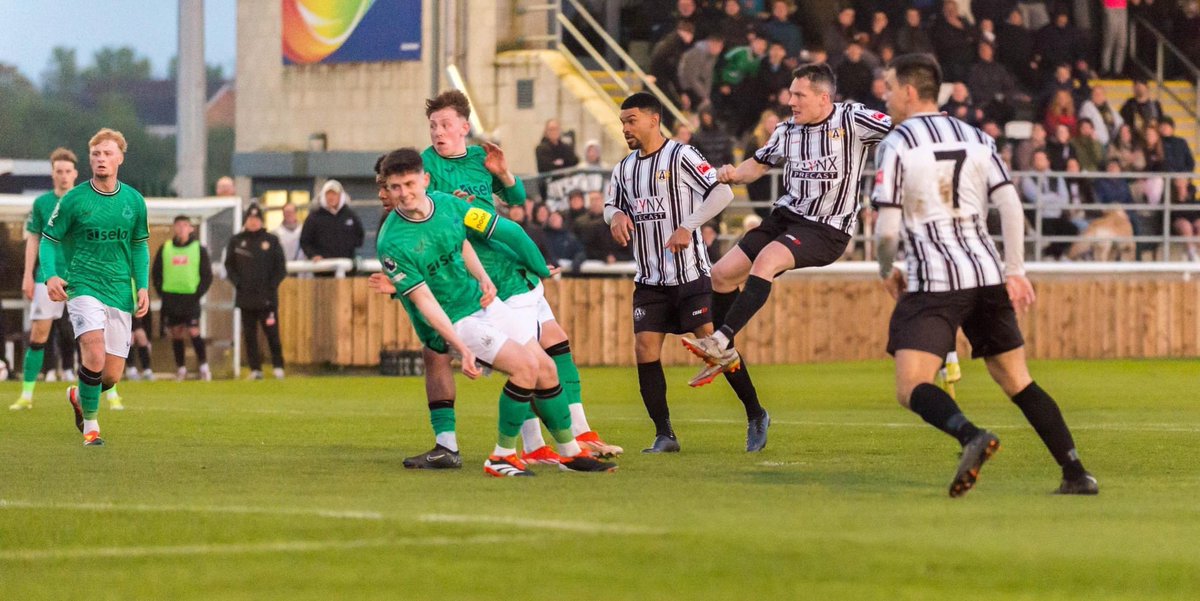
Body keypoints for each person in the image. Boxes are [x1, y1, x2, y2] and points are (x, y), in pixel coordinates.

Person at [873, 53, 1098, 497]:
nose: (885, 96)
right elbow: (1010, 205)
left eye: (888, 87)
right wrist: (1015, 270)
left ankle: (970, 435)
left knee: (911, 384)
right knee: (1018, 379)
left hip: (934, 279)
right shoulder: (977, 136)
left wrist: (886, 269)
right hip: (986, 272)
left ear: (909, 92)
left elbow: (886, 227)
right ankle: (1076, 472)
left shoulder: (897, 143)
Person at [369, 148, 616, 477]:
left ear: (425, 180)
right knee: (525, 368)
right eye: (395, 187)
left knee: (546, 368)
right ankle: (501, 455)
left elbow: (462, 243)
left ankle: (570, 452)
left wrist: (485, 280)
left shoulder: (448, 204)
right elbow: (425, 301)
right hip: (458, 320)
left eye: (409, 184)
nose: (403, 194)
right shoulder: (392, 241)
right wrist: (459, 345)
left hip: (483, 303)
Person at [412, 90, 620, 467]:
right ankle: (537, 444)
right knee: (528, 358)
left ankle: (574, 433)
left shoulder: (479, 158)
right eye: (432, 126)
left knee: (555, 342)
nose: (438, 132)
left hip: (511, 264)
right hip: (484, 276)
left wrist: (505, 173)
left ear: (464, 127)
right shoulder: (426, 166)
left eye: (445, 125)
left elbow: (517, 199)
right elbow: (451, 220)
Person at [680, 64, 891, 386]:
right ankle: (722, 354)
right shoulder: (786, 130)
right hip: (786, 217)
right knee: (721, 275)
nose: (790, 100)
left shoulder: (852, 119)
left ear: (823, 98)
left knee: (767, 260)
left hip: (827, 228)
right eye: (790, 93)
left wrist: (933, 123)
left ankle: (720, 340)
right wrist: (734, 173)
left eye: (798, 94)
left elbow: (899, 124)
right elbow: (758, 165)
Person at [606, 92, 768, 453]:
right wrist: (615, 216)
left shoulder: (682, 155)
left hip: (691, 276)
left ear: (653, 119)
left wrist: (688, 226)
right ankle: (665, 434)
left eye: (631, 120)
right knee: (644, 347)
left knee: (713, 346)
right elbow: (610, 204)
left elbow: (722, 194)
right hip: (649, 280)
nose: (625, 129)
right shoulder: (625, 168)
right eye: (622, 123)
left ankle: (756, 413)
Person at [39, 128, 150, 446]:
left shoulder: (133, 200)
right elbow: (49, 241)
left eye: (107, 153)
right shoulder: (74, 199)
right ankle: (91, 427)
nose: (101, 159)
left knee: (111, 375)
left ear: (120, 158)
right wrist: (50, 275)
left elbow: (140, 246)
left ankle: (78, 394)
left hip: (119, 290)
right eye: (95, 154)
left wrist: (141, 287)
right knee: (94, 351)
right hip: (83, 285)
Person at [12, 148, 80, 411]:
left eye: (67, 171)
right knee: (39, 335)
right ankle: (27, 395)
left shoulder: (84, 200)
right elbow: (33, 239)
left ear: (75, 174)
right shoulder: (41, 204)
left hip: (79, 275)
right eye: (59, 171)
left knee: (92, 335)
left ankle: (109, 395)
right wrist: (28, 275)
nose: (63, 176)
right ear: (53, 173)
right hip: (46, 277)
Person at [225, 204, 287, 380]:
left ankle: (278, 366)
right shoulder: (236, 241)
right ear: (245, 221)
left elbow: (281, 268)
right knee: (250, 335)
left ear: (261, 221)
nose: (253, 222)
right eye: (250, 219)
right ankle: (255, 369)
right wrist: (238, 284)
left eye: (256, 219)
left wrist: (271, 287)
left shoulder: (271, 240)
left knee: (272, 334)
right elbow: (229, 266)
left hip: (267, 298)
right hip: (246, 297)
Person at [152, 215, 214, 381]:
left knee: (194, 331)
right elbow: (156, 272)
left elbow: (207, 275)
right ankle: (181, 368)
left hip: (191, 298)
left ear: (190, 228)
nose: (181, 228)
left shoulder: (198, 249)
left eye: (184, 225)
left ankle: (203, 366)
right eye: (178, 225)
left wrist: (198, 293)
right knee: (176, 333)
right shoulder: (165, 248)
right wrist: (162, 293)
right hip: (171, 298)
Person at [299, 179, 364, 272]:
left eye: (334, 194)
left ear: (340, 196)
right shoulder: (314, 217)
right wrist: (313, 255)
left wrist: (348, 248)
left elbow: (359, 237)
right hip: (322, 270)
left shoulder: (350, 215)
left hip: (347, 268)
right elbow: (305, 241)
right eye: (328, 194)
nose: (331, 197)